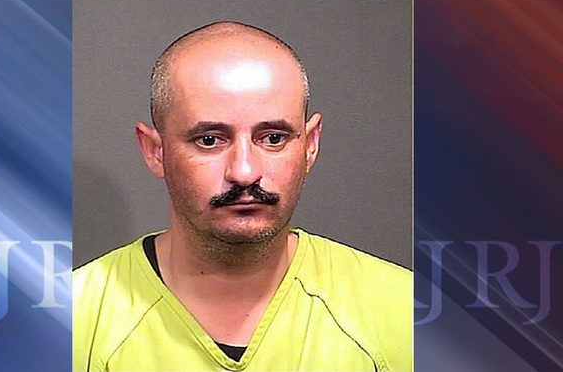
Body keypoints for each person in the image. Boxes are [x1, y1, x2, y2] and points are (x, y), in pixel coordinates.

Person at [73, 21, 412, 371]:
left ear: (310, 145)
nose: (245, 171)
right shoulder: (72, 321)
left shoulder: (403, 312)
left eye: (273, 138)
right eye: (209, 140)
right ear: (155, 150)